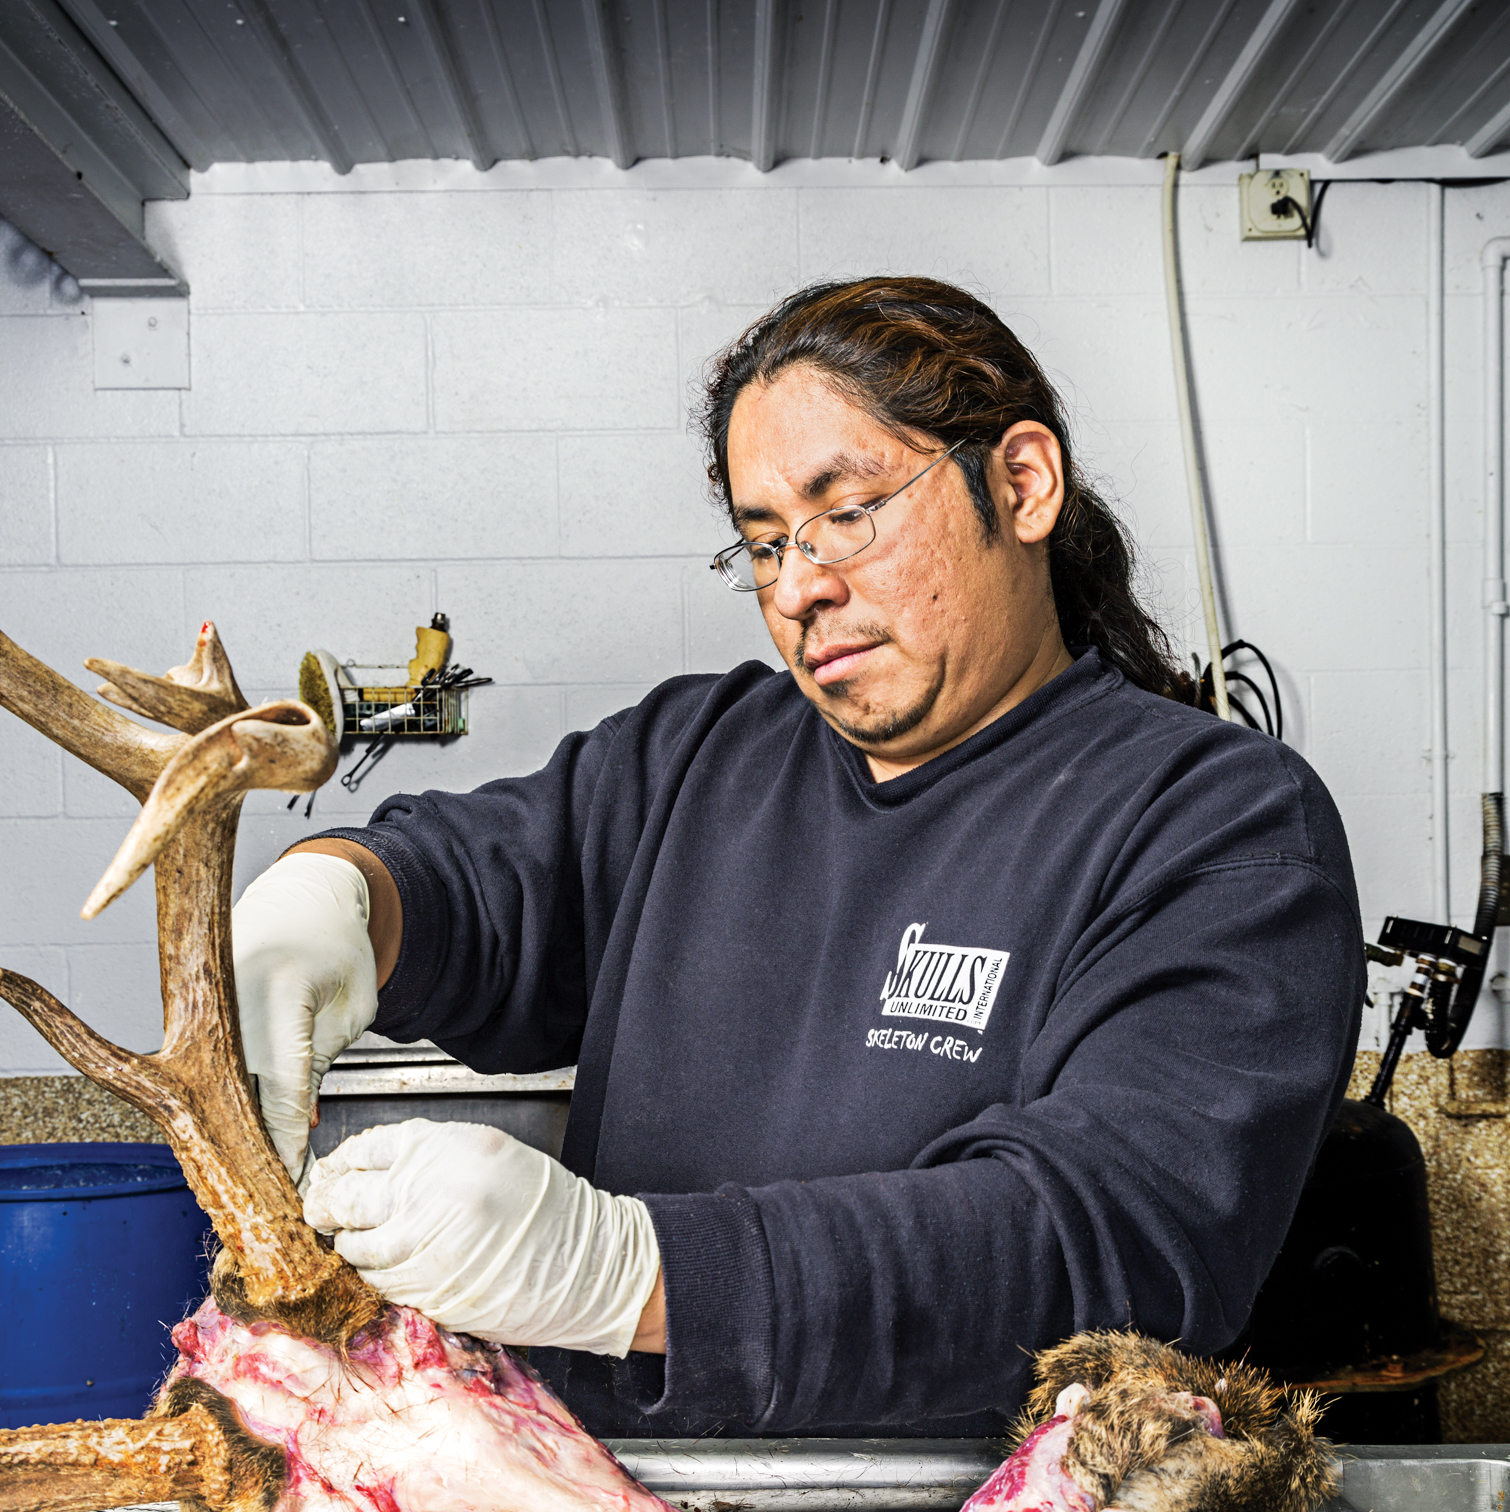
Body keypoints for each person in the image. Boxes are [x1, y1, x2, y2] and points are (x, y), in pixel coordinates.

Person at [231, 276, 1364, 1441]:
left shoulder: (1219, 823)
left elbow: (1101, 1242)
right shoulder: (697, 756)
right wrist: (340, 896)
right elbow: (485, 882)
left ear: (1021, 483)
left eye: (849, 511)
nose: (801, 586)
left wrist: (633, 1273)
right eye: (764, 542)